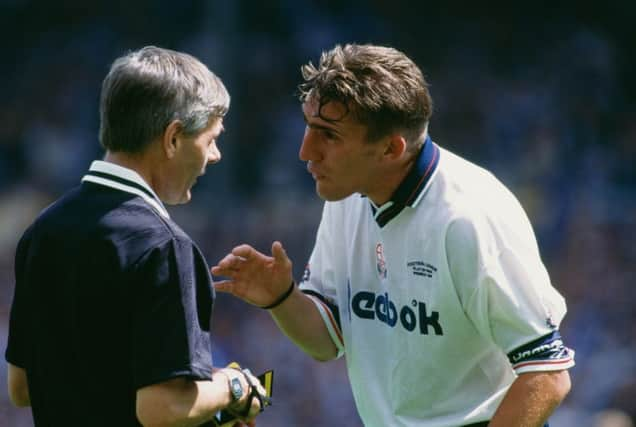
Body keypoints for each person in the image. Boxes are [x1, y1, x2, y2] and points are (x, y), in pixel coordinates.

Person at [212, 43, 575, 427]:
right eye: (308, 126)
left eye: (329, 135)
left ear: (390, 148)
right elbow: (327, 341)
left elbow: (547, 374)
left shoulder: (470, 217)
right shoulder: (348, 194)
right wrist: (282, 298)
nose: (306, 151)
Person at [5, 46, 268, 427]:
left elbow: (21, 386)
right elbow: (162, 408)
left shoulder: (43, 230)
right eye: (211, 139)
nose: (215, 156)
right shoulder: (164, 246)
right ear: (173, 138)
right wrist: (232, 387)